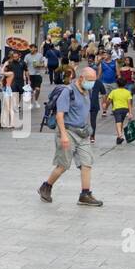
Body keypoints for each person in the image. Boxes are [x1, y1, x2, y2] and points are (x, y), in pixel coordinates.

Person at [38, 65, 103, 207]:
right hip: (67, 131)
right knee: (63, 165)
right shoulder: (68, 92)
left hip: (82, 132)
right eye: (90, 80)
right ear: (81, 78)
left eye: (94, 81)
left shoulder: (88, 90)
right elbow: (60, 115)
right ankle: (46, 186)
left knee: (87, 163)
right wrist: (64, 136)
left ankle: (85, 194)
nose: (92, 83)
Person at [105, 79, 134, 145]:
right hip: (125, 109)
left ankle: (120, 136)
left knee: (118, 122)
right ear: (125, 84)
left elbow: (108, 101)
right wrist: (130, 112)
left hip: (117, 109)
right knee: (121, 122)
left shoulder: (113, 92)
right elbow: (129, 103)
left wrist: (106, 107)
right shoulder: (127, 92)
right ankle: (119, 137)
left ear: (117, 84)